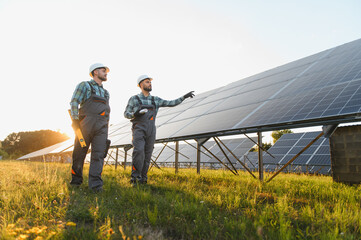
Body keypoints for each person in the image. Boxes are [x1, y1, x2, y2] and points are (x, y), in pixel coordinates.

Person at [124, 75, 195, 185]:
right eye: (147, 82)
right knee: (139, 152)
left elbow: (171, 103)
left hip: (151, 129)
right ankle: (135, 178)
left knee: (148, 154)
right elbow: (126, 114)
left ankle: (143, 178)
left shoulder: (155, 100)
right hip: (138, 128)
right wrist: (134, 114)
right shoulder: (134, 99)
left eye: (150, 82)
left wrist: (183, 97)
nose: (150, 84)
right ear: (140, 85)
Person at [69, 63, 111, 193]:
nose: (106, 73)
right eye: (103, 71)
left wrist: (106, 127)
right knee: (79, 153)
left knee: (98, 155)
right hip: (85, 124)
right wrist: (75, 120)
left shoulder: (106, 93)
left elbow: (106, 111)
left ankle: (96, 187)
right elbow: (74, 101)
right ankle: (76, 182)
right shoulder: (85, 85)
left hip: (101, 127)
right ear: (95, 72)